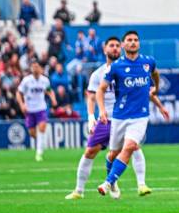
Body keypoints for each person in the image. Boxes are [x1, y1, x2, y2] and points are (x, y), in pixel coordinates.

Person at [65, 37, 155, 200]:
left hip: (127, 116)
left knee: (133, 147)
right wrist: (92, 116)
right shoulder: (98, 74)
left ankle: (140, 184)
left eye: (116, 45)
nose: (114, 48)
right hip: (107, 119)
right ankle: (79, 190)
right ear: (104, 49)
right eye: (110, 46)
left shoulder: (128, 68)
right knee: (90, 151)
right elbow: (91, 97)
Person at [96, 31, 169, 199]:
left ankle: (107, 183)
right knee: (113, 154)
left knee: (129, 146)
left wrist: (156, 90)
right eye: (129, 40)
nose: (133, 43)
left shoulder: (148, 62)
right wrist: (102, 110)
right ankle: (113, 181)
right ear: (123, 45)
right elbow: (100, 89)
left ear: (139, 44)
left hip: (140, 116)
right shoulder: (116, 66)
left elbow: (155, 75)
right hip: (120, 116)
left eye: (136, 40)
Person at [16, 61, 57, 162]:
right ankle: (41, 142)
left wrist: (53, 99)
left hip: (41, 108)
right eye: (33, 66)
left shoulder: (45, 80)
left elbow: (49, 90)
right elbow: (19, 93)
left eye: (36, 66)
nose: (35, 68)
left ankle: (39, 153)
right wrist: (22, 105)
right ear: (31, 68)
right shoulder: (26, 81)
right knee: (32, 133)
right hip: (29, 109)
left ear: (40, 68)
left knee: (42, 128)